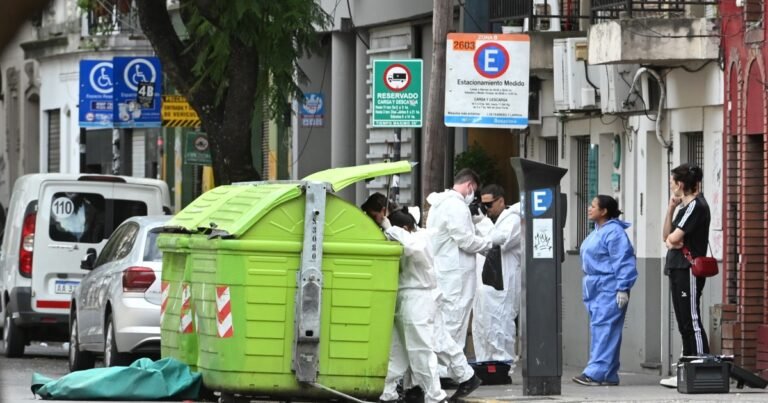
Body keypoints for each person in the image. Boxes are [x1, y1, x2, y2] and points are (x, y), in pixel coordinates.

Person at [361, 197, 481, 403]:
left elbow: (413, 248)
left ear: (406, 228)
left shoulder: (419, 238)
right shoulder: (406, 234)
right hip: (407, 299)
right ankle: (389, 393)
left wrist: (390, 229)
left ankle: (436, 396)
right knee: (398, 352)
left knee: (421, 351)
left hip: (418, 298)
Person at [572, 195, 637, 387]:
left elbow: (623, 260)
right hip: (596, 286)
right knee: (602, 328)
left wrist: (623, 287)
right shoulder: (599, 231)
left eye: (593, 206)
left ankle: (596, 372)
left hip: (608, 286)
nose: (589, 209)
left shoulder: (614, 233)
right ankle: (608, 373)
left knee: (604, 329)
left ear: (604, 211)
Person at [425, 168, 492, 351]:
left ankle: (446, 369)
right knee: (455, 322)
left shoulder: (438, 204)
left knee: (446, 322)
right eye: (474, 190)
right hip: (457, 275)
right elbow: (466, 240)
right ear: (469, 186)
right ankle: (448, 371)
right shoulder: (456, 206)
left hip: (444, 270)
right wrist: (489, 243)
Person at [659, 163, 711, 388]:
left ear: (681, 184)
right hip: (676, 266)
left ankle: (700, 363)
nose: (671, 186)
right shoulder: (682, 207)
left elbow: (674, 238)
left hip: (687, 268)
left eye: (672, 182)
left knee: (691, 318)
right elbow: (666, 237)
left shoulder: (696, 206)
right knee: (682, 320)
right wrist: (670, 209)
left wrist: (673, 239)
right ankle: (686, 366)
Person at [472, 185, 522, 370]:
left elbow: (499, 240)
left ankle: (503, 367)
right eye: (483, 205)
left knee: (500, 326)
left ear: (501, 200)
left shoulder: (513, 219)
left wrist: (482, 222)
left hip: (504, 283)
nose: (486, 209)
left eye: (489, 205)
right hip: (486, 283)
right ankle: (486, 366)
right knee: (483, 327)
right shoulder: (493, 220)